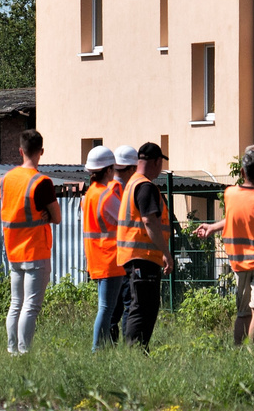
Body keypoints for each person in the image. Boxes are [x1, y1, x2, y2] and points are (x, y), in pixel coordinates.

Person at [193, 142, 254, 345]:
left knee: (243, 313)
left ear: (242, 171)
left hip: (239, 264)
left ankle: (238, 353)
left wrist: (211, 227)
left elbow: (238, 217)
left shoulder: (229, 194)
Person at [0, 129, 60, 355]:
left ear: (20, 151)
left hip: (13, 250)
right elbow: (58, 217)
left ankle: (12, 351)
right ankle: (24, 353)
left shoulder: (5, 180)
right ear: (41, 152)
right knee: (30, 307)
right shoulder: (41, 182)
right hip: (35, 250)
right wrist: (45, 213)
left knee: (16, 304)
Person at [114, 141, 174, 349]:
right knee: (143, 307)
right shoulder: (146, 187)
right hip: (143, 256)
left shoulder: (132, 183)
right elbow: (150, 221)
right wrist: (165, 252)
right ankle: (136, 352)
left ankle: (135, 350)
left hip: (132, 257)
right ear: (157, 161)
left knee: (136, 306)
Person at [80, 145, 126, 350]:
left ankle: (102, 348)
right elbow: (126, 220)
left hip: (96, 258)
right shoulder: (106, 196)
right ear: (108, 171)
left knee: (105, 307)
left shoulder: (90, 194)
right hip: (111, 259)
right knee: (106, 308)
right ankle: (97, 349)